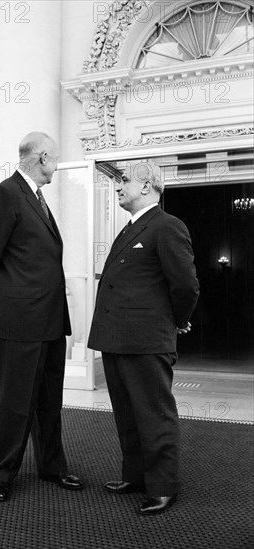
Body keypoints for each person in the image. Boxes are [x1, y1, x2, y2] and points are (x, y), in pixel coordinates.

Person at [0, 132, 83, 502]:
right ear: (43, 156)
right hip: (19, 319)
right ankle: (3, 473)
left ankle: (52, 466)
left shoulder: (37, 198)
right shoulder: (5, 194)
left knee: (50, 400)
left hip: (50, 319)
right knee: (15, 401)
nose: (57, 167)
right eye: (55, 160)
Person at [88, 161, 199, 515]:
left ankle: (163, 486)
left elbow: (185, 285)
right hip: (118, 338)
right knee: (127, 414)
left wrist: (177, 321)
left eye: (125, 183)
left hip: (147, 340)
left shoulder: (168, 227)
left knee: (153, 414)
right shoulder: (129, 229)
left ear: (148, 186)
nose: (119, 188)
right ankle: (135, 476)